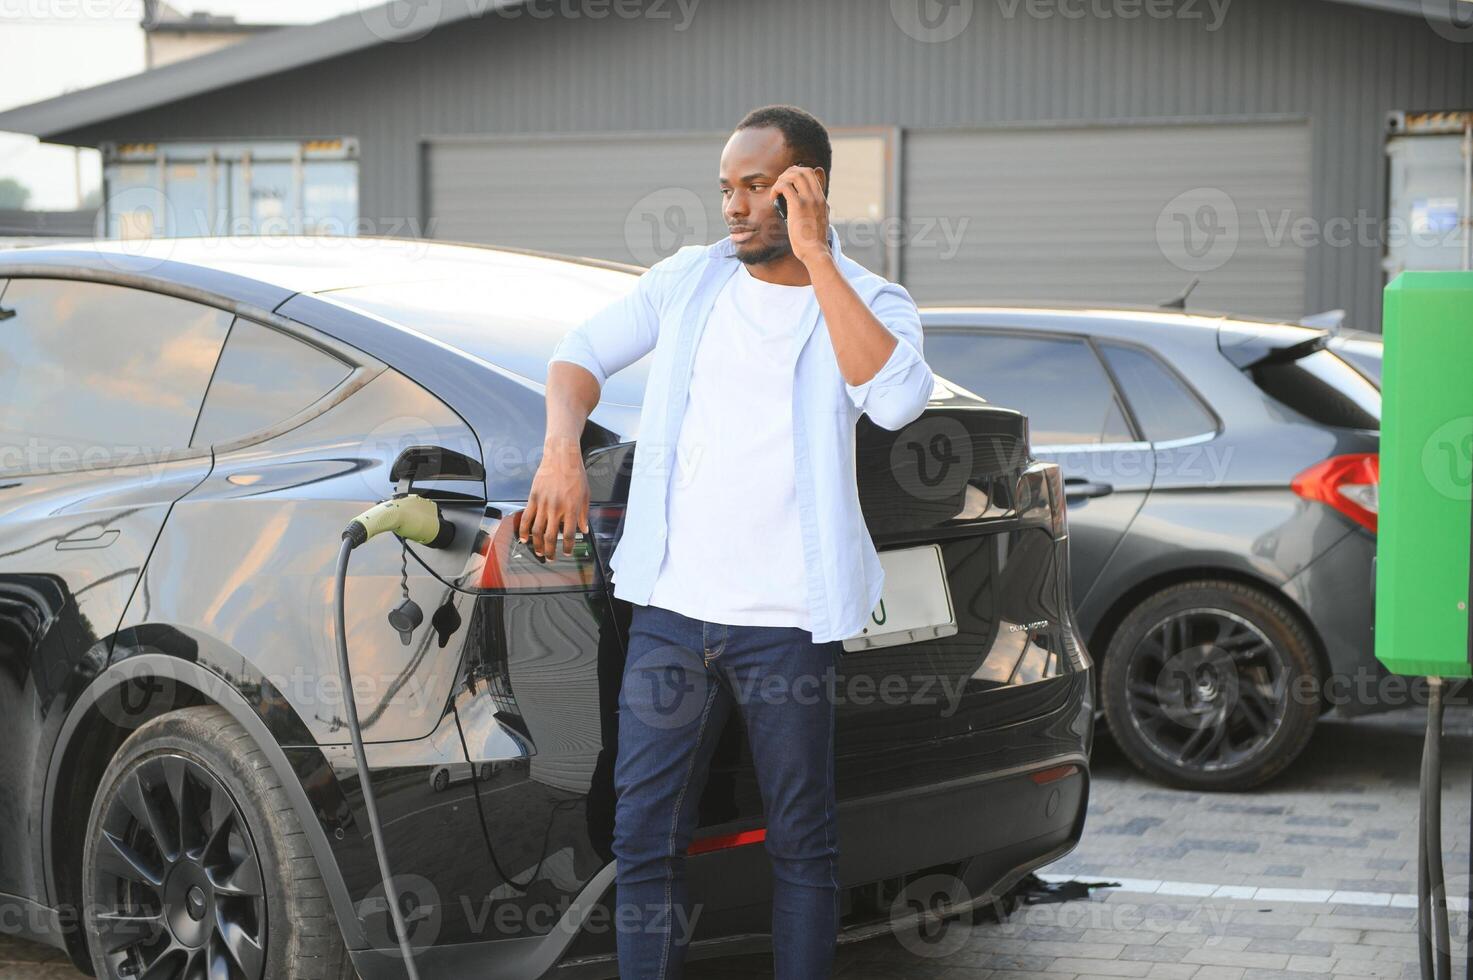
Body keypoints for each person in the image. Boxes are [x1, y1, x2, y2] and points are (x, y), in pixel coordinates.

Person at [521, 104, 935, 980]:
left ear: (807, 188)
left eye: (758, 187)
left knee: (801, 842)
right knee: (643, 837)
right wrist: (562, 450)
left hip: (786, 624)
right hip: (672, 613)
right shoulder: (689, 279)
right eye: (727, 189)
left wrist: (819, 256)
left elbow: (897, 399)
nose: (736, 207)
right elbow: (578, 353)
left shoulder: (868, 300)